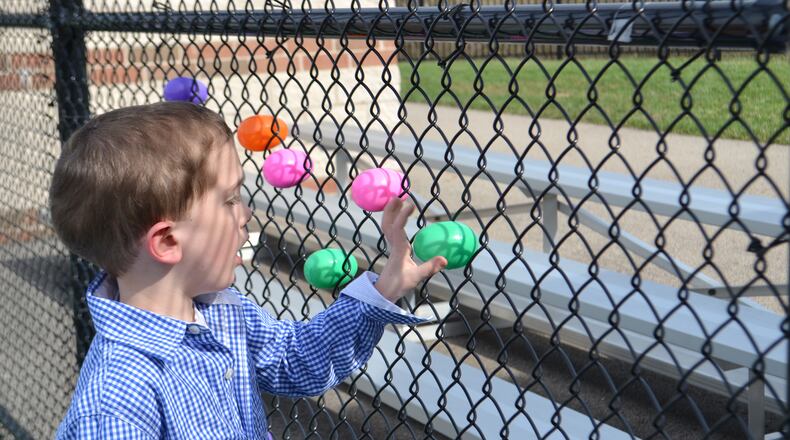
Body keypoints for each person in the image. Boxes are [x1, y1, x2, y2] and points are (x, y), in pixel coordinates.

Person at [50, 102, 447, 439]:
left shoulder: (220, 310)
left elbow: (296, 358)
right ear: (168, 242)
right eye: (230, 200)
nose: (246, 214)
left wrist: (385, 288)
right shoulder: (115, 406)